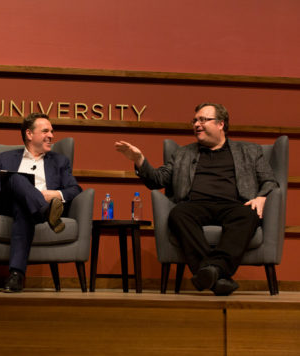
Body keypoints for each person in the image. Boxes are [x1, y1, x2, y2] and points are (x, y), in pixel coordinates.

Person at [115, 103, 277, 296]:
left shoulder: (249, 151)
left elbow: (270, 181)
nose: (197, 124)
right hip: (195, 206)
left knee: (249, 214)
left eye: (203, 120)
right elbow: (157, 180)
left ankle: (210, 271)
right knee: (178, 214)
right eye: (195, 120)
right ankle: (218, 274)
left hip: (234, 206)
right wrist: (139, 160)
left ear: (220, 124)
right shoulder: (183, 154)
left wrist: (261, 197)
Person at [0, 113, 82, 292]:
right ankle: (47, 211)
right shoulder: (7, 158)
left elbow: (75, 189)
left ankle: (16, 275)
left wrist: (53, 194)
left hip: (29, 212)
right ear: (29, 134)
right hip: (6, 207)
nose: (51, 135)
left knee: (24, 208)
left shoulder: (59, 162)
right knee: (16, 179)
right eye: (45, 131)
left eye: (52, 131)